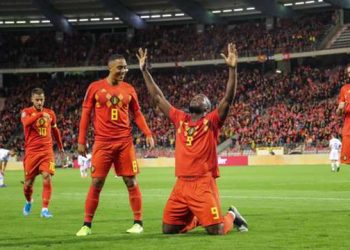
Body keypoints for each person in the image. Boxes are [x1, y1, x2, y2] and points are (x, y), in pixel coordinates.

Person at [136, 43, 248, 235]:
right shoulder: (180, 118)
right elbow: (157, 98)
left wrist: (232, 69)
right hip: (181, 184)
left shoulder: (211, 121)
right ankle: (199, 218)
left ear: (207, 108)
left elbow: (228, 99)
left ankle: (231, 215)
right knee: (169, 229)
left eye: (202, 98)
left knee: (217, 230)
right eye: (196, 96)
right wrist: (145, 72)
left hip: (202, 183)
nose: (198, 97)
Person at [76, 54, 155, 236]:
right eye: (120, 67)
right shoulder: (94, 88)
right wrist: (81, 140)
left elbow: (137, 113)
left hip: (124, 142)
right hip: (102, 143)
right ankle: (86, 225)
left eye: (126, 67)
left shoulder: (129, 89)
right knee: (96, 182)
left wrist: (148, 133)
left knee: (131, 181)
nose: (124, 71)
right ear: (110, 67)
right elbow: (86, 115)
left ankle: (138, 223)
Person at [21, 87, 64, 218]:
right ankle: (29, 201)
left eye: (42, 99)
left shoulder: (50, 113)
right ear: (32, 99)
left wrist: (61, 147)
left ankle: (45, 209)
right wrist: (39, 114)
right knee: (28, 184)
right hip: (32, 153)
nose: (40, 102)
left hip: (46, 151)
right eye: (37, 99)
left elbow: (55, 131)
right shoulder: (26, 112)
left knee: (47, 177)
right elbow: (26, 123)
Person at [336, 64, 350, 164]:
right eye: (349, 72)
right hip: (348, 126)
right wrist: (340, 109)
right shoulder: (344, 89)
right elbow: (339, 112)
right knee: (346, 161)